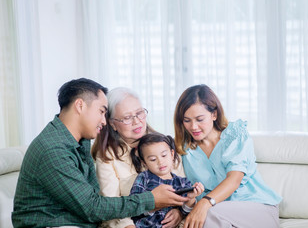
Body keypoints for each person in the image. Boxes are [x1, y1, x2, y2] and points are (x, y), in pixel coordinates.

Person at [12, 78, 188, 228]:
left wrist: (180, 209)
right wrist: (150, 199)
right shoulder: (53, 150)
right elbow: (92, 207)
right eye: (101, 111)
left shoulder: (77, 142)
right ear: (80, 106)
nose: (103, 121)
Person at [173, 84, 282, 228]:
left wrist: (204, 203)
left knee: (209, 214)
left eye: (199, 119)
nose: (193, 127)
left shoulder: (235, 135)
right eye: (187, 120)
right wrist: (181, 211)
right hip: (219, 214)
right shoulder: (185, 150)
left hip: (257, 207)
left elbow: (234, 180)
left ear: (214, 114)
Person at [91, 87, 185, 228]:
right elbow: (110, 206)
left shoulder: (163, 144)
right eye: (127, 118)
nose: (137, 122)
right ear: (112, 123)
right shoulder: (106, 156)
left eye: (140, 113)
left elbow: (182, 188)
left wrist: (180, 212)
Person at [129, 133, 204, 228]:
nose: (160, 162)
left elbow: (185, 211)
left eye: (164, 155)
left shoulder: (182, 182)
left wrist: (191, 198)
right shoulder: (144, 178)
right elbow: (133, 207)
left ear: (172, 154)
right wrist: (153, 204)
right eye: (153, 159)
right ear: (144, 163)